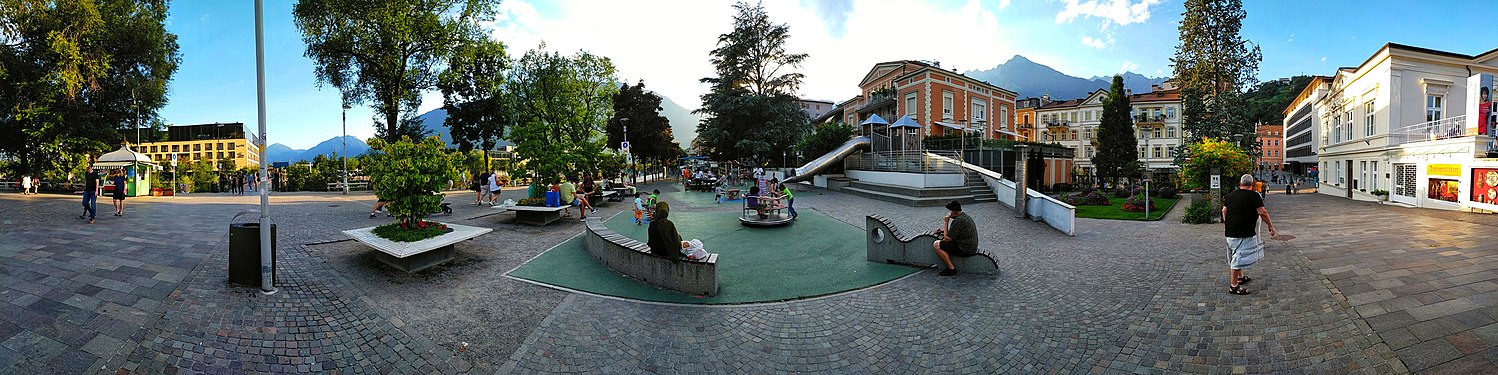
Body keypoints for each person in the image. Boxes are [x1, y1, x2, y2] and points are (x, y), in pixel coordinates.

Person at [1222, 174, 1277, 295]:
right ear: (1252, 185)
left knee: (1235, 253)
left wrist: (1229, 222)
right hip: (1244, 231)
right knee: (1238, 258)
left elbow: (1224, 210)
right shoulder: (1254, 195)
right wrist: (1270, 226)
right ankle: (1234, 286)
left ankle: (1240, 277)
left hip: (1229, 231)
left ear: (1240, 183)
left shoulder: (1231, 195)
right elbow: (1262, 212)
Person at [931, 200, 978, 276]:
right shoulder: (964, 216)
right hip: (970, 246)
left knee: (936, 245)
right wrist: (942, 231)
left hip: (965, 249)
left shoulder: (958, 221)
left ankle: (951, 269)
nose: (949, 214)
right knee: (942, 242)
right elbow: (955, 231)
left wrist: (946, 222)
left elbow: (947, 238)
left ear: (955, 212)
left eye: (951, 211)